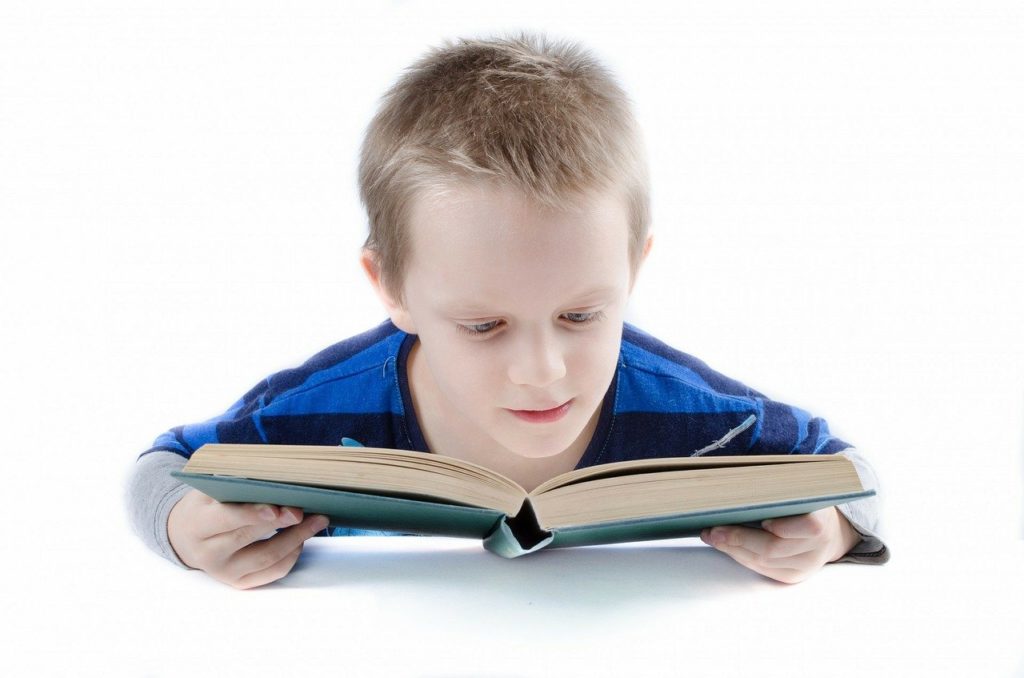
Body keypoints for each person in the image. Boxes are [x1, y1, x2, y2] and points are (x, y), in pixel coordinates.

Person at [127, 32, 889, 589]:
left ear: (633, 269)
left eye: (583, 316)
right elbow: (163, 465)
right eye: (483, 326)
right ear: (389, 286)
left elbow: (849, 473)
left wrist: (831, 532)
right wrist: (183, 529)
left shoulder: (704, 416)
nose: (542, 371)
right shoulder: (315, 412)